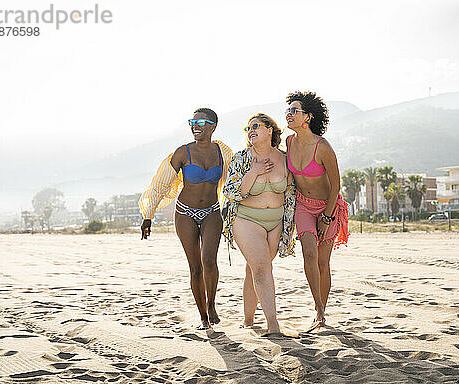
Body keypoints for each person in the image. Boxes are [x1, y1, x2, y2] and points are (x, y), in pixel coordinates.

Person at [139, 108, 233, 329]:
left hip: (212, 211)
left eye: (200, 121)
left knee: (209, 260)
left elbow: (238, 174)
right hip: (185, 213)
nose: (195, 126)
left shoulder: (222, 152)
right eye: (192, 121)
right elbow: (160, 184)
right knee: (195, 268)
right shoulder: (182, 152)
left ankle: (212, 304)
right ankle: (202, 316)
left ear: (213, 125)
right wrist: (148, 215)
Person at [222, 113, 296, 334]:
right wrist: (253, 172)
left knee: (254, 269)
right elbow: (233, 192)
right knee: (263, 268)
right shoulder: (241, 158)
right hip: (247, 220)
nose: (250, 130)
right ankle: (273, 324)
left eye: (256, 126)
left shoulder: (285, 159)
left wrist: (290, 226)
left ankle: (248, 319)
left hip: (275, 222)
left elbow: (291, 194)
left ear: (270, 130)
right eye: (248, 128)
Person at [284, 91, 349, 331]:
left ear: (308, 117)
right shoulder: (289, 142)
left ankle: (322, 310)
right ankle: (318, 309)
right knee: (308, 253)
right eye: (288, 110)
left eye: (294, 110)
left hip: (327, 205)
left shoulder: (323, 148)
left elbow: (336, 185)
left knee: (323, 262)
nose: (289, 114)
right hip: (303, 205)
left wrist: (327, 216)